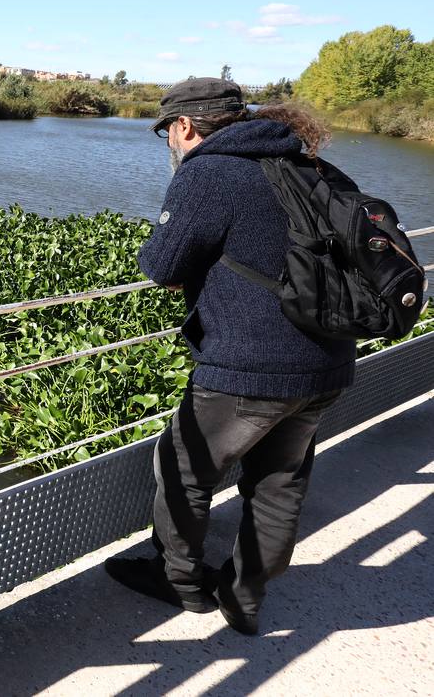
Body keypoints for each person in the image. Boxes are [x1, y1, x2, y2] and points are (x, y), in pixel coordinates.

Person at [103, 78, 355, 635]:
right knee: (279, 481)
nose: (168, 141)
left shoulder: (210, 171)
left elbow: (162, 267)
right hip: (327, 359)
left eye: (166, 130)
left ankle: (180, 582)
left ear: (185, 127)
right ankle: (245, 597)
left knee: (183, 470)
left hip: (250, 366)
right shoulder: (304, 163)